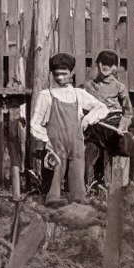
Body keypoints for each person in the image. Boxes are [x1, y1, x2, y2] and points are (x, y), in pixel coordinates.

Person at [30, 53, 109, 206]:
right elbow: (34, 124)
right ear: (52, 74)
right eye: (56, 74)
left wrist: (88, 119)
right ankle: (52, 207)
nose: (60, 78)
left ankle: (78, 209)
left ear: (71, 74)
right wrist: (46, 141)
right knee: (54, 182)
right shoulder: (46, 96)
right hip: (55, 146)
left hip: (76, 144)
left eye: (64, 74)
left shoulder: (78, 94)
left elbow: (102, 108)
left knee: (78, 184)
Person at [83, 49, 133, 188]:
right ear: (97, 65)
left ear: (115, 68)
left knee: (122, 147)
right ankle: (91, 188)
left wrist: (123, 126)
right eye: (103, 63)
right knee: (90, 155)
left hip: (113, 127)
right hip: (95, 128)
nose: (106, 67)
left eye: (110, 64)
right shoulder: (89, 86)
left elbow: (128, 112)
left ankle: (119, 188)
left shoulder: (120, 88)